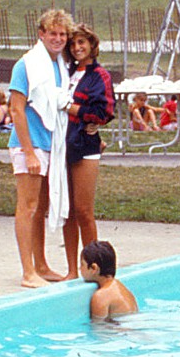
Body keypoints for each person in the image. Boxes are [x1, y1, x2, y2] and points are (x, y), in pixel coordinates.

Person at [9, 9, 73, 288]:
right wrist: (28, 152)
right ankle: (28, 272)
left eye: (62, 34)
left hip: (50, 144)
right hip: (30, 144)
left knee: (40, 207)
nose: (58, 38)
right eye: (53, 33)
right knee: (28, 206)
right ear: (41, 34)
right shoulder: (26, 65)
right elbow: (16, 109)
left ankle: (41, 265)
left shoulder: (59, 67)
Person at [63, 25, 114, 271]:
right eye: (73, 44)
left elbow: (103, 111)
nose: (77, 48)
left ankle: (94, 268)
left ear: (92, 45)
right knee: (68, 213)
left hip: (85, 145)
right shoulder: (67, 73)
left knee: (84, 211)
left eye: (81, 42)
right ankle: (72, 270)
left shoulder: (99, 75)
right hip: (63, 144)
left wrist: (70, 108)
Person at [79, 241, 138, 322]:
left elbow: (99, 327)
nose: (79, 268)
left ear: (94, 268)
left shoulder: (100, 296)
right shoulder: (121, 287)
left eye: (82, 264)